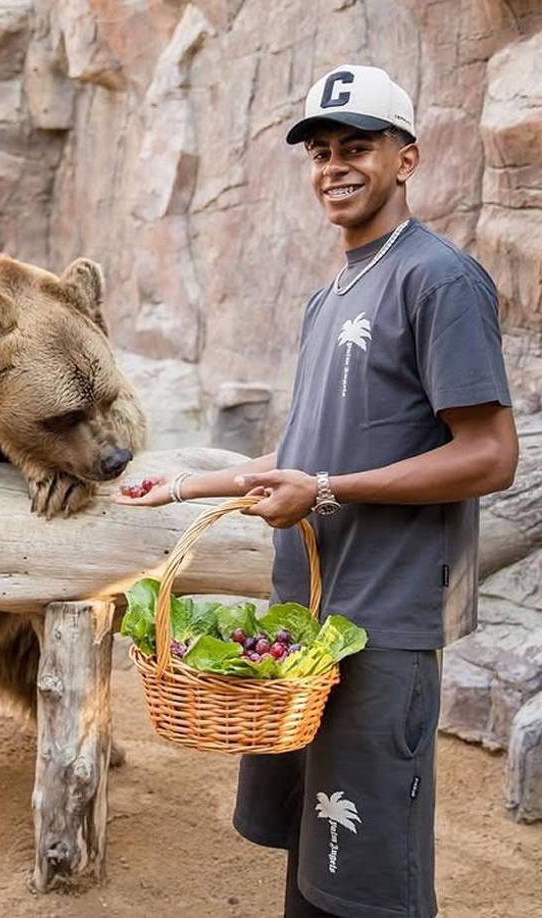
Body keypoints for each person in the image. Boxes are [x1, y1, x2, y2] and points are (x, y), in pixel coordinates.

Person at [114, 65, 517, 917]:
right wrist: (182, 485)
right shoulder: (326, 298)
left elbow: (489, 456)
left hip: (384, 619)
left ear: (406, 158)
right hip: (301, 625)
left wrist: (327, 490)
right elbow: (304, 460)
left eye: (358, 147)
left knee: (371, 875)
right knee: (312, 857)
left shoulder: (440, 279)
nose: (335, 166)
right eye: (322, 151)